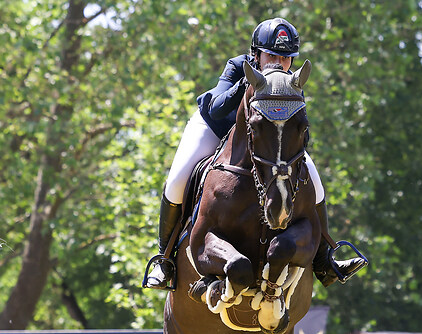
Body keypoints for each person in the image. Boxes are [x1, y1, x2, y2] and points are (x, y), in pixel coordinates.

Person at [145, 18, 365, 290]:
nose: (278, 63)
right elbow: (216, 109)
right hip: (215, 126)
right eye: (271, 55)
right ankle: (164, 260)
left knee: (316, 184)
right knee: (178, 180)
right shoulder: (239, 66)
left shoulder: (290, 83)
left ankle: (324, 261)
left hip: (262, 141)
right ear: (256, 54)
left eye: (285, 58)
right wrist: (248, 85)